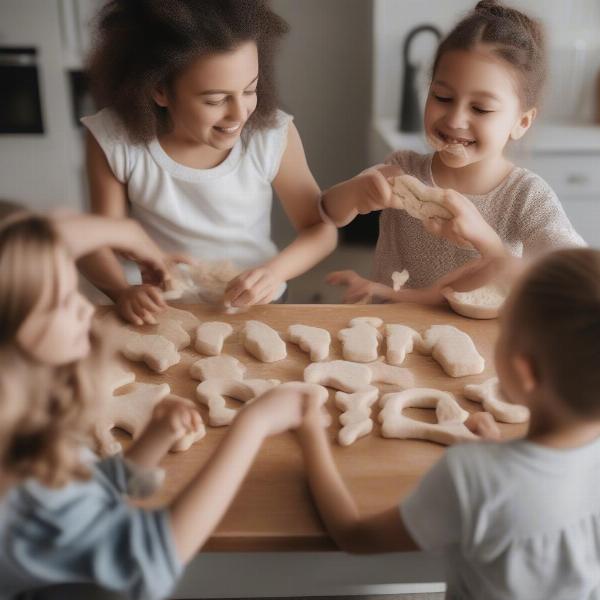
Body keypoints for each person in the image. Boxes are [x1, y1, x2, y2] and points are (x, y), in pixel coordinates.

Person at [0, 212, 326, 600]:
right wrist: (252, 426)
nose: (86, 310)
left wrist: (153, 441)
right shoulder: (18, 488)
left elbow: (88, 490)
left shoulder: (26, 431)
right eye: (62, 301)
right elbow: (150, 559)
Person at [297, 246, 600, 599]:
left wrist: (311, 436)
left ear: (524, 372)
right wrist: (499, 456)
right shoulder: (491, 474)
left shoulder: (473, 476)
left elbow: (356, 537)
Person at [80, 0, 337, 324]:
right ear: (159, 90)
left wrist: (273, 274)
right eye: (215, 100)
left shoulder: (271, 134)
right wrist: (122, 291)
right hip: (162, 308)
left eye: (250, 89)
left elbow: (320, 230)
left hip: (258, 302)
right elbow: (96, 242)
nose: (239, 113)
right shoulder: (114, 139)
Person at [321, 0, 584, 304]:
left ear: (521, 122)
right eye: (442, 97)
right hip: (394, 329)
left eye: (480, 108)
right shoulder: (403, 168)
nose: (455, 119)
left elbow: (573, 280)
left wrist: (487, 242)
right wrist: (357, 192)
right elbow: (327, 211)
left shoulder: (526, 197)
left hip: (479, 343)